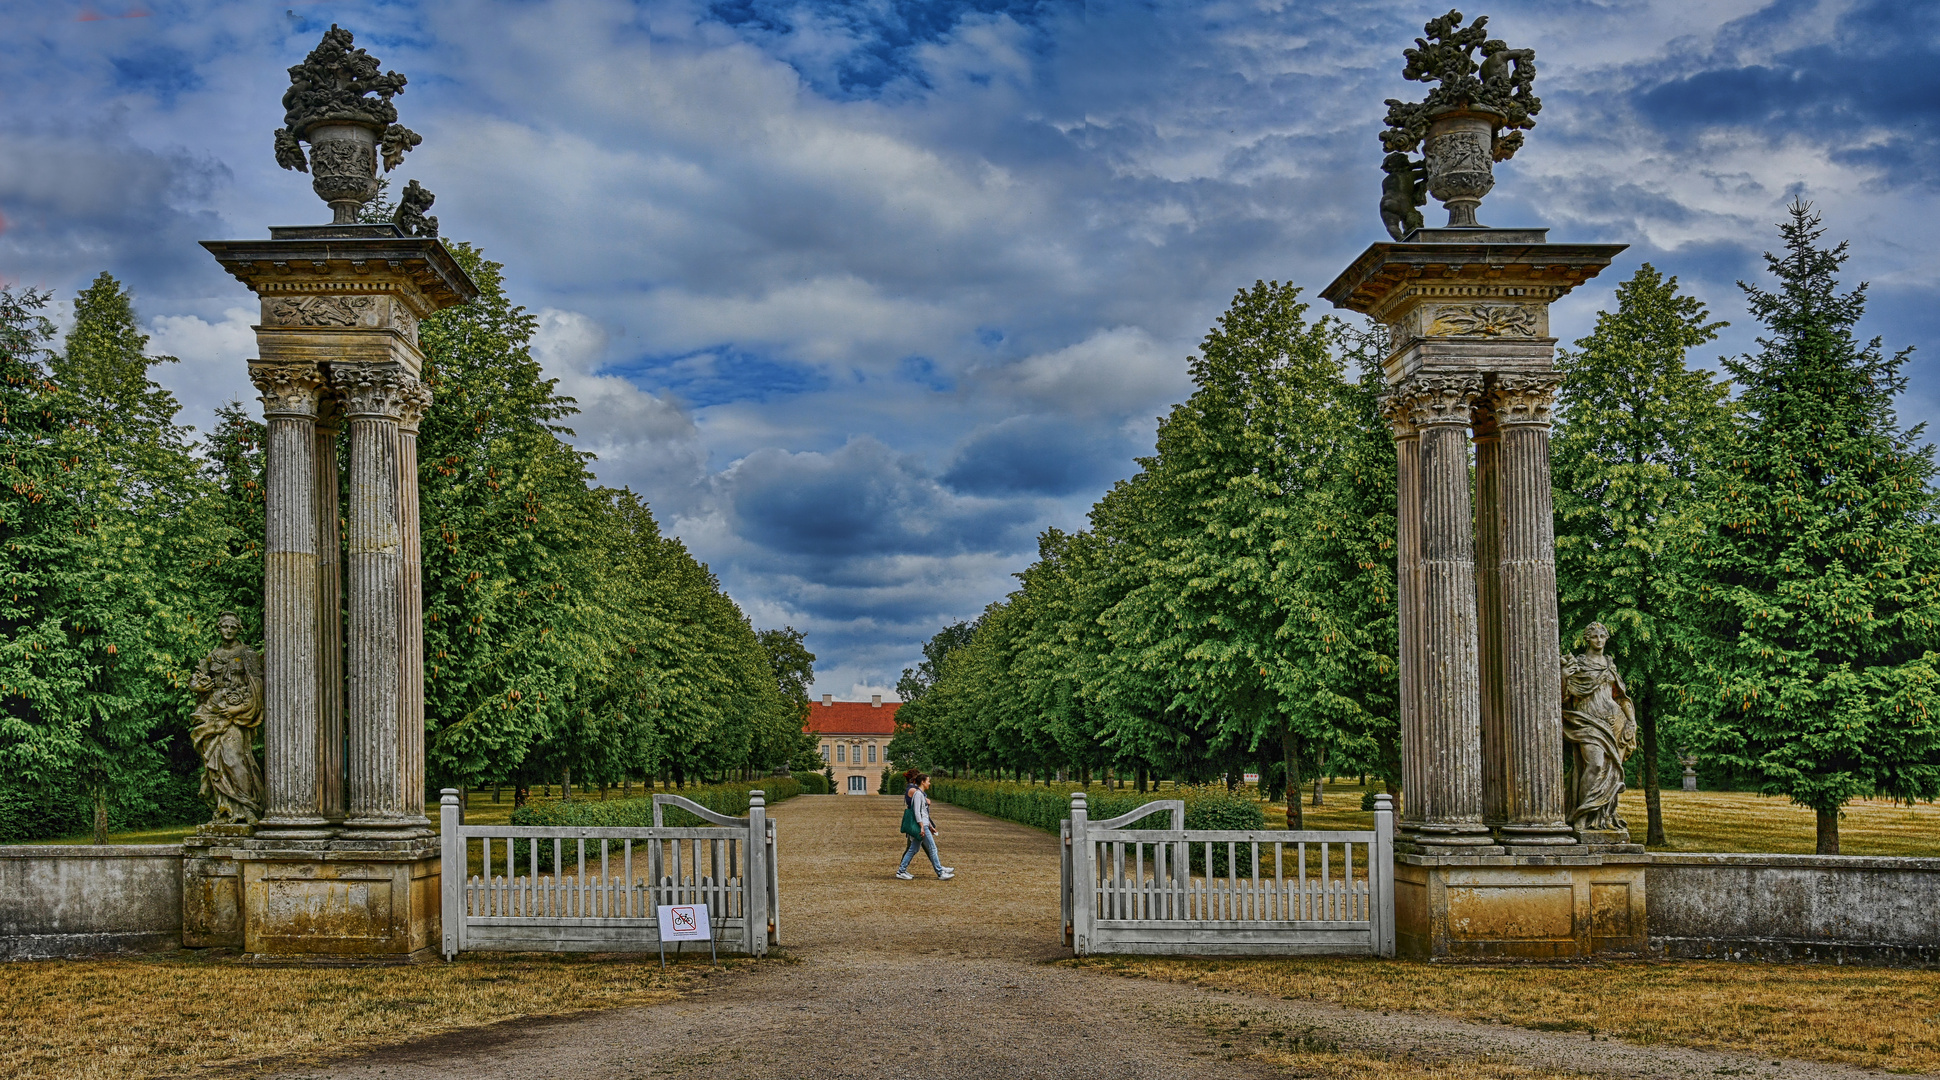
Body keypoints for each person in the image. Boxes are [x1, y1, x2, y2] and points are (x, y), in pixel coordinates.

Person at [896, 770, 954, 880]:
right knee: (932, 848)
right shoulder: (918, 794)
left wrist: (930, 826)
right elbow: (917, 812)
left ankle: (901, 871)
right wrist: (922, 826)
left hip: (924, 825)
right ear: (922, 782)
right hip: (922, 826)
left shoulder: (919, 794)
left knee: (913, 849)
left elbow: (923, 812)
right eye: (928, 781)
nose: (929, 783)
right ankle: (940, 872)